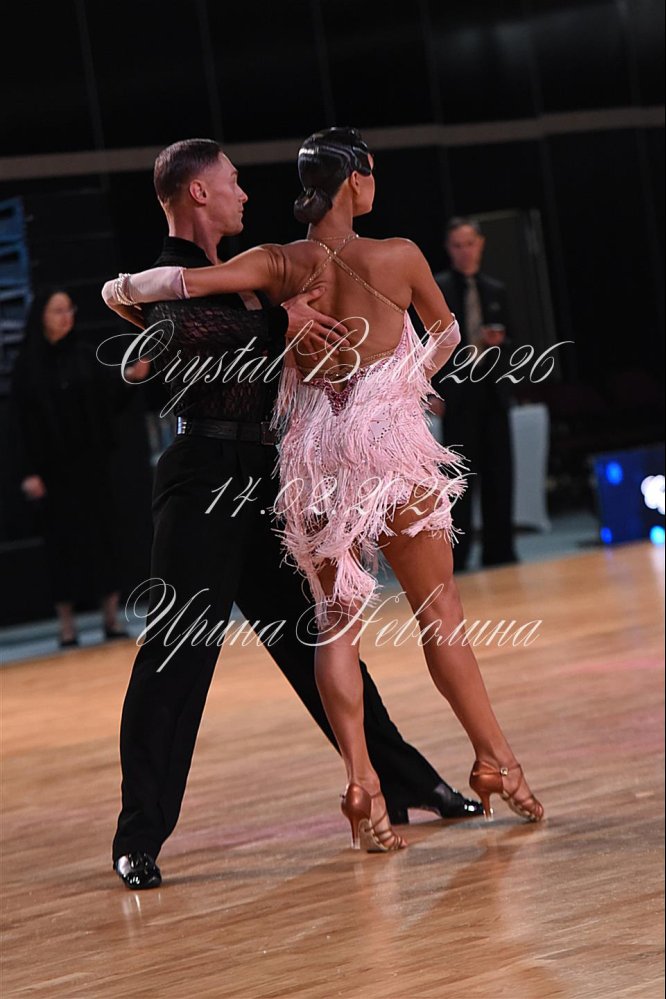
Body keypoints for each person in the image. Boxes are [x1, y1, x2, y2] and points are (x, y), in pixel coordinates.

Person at [105, 128, 544, 855]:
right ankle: (495, 758)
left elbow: (171, 293)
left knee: (330, 627)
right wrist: (396, 383)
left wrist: (117, 289)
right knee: (436, 613)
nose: (245, 190)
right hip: (272, 463)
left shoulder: (272, 263)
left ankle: (375, 784)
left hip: (305, 459)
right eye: (233, 180)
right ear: (357, 180)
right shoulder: (388, 255)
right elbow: (444, 334)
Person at [9, 288, 142, 647]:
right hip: (52, 473)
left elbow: (110, 396)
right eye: (57, 310)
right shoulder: (28, 366)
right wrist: (29, 472)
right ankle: (66, 625)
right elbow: (19, 425)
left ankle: (111, 618)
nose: (66, 316)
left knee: (103, 539)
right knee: (62, 546)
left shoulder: (84, 355)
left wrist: (135, 374)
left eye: (69, 309)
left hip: (92, 467)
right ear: (41, 317)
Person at [431, 218, 519, 571]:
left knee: (500, 473)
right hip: (457, 396)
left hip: (493, 392)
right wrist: (431, 392)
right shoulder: (438, 288)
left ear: (480, 244)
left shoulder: (496, 289)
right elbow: (426, 343)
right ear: (448, 248)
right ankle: (458, 556)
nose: (465, 251)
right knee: (459, 479)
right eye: (457, 245)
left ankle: (500, 550)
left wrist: (502, 343)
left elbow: (516, 341)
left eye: (469, 243)